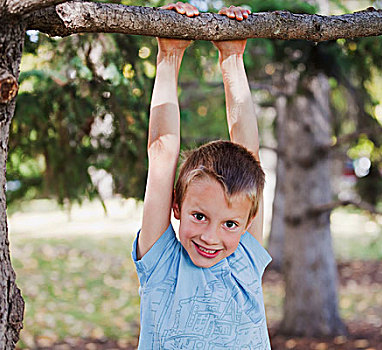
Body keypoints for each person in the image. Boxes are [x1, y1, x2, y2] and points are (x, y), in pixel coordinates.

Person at [132, 2, 272, 348]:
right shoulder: (161, 261)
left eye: (229, 224)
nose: (211, 236)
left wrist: (232, 58)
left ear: (247, 220)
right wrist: (169, 54)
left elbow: (248, 153)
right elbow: (163, 154)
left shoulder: (245, 259)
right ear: (176, 206)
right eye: (199, 216)